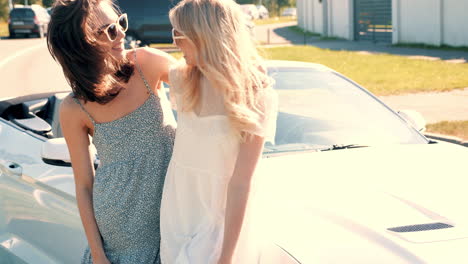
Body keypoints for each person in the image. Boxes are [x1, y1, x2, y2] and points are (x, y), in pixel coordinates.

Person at [47, 0, 176, 263]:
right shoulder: (74, 108)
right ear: (80, 46)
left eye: (120, 23)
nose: (122, 34)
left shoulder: (146, 64)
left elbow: (208, 87)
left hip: (175, 211)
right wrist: (98, 254)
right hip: (120, 232)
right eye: (108, 31)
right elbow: (84, 185)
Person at [160, 0, 278, 263]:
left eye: (178, 34)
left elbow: (241, 183)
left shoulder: (254, 95)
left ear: (204, 35)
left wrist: (227, 256)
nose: (174, 43)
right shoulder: (182, 79)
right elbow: (142, 59)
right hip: (179, 211)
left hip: (225, 219)